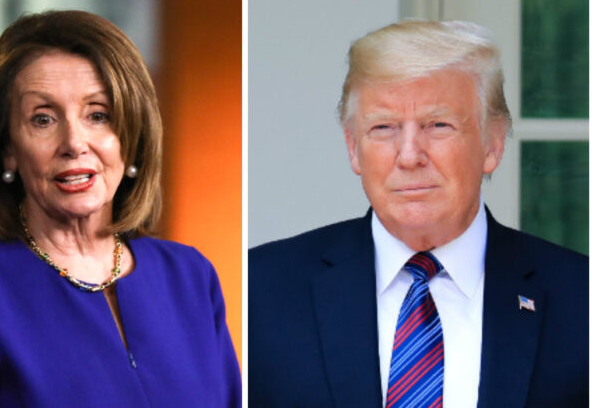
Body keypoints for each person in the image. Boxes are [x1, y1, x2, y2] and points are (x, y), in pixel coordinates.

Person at [0, 10, 241, 408]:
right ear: (8, 150)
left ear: (130, 138)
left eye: (98, 115)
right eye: (43, 119)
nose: (74, 142)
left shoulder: (189, 276)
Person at [249, 20, 587, 408]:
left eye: (437, 124)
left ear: (493, 143)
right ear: (353, 148)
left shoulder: (581, 299)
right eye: (383, 127)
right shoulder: (260, 290)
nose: (409, 156)